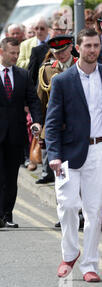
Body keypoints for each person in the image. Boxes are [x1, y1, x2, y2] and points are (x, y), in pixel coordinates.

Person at [45, 28, 102, 283]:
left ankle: (90, 265)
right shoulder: (62, 81)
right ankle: (70, 253)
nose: (93, 50)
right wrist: (53, 154)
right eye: (88, 46)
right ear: (78, 47)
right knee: (68, 205)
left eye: (96, 45)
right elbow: (52, 122)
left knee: (94, 211)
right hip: (68, 154)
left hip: (100, 150)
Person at [0, 37, 42, 229]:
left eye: (18, 53)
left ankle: (7, 215)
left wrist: (37, 121)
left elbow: (33, 100)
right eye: (12, 53)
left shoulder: (23, 75)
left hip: (15, 136)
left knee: (10, 178)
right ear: (2, 52)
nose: (16, 57)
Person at [36, 35, 78, 186]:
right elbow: (41, 101)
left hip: (76, 125)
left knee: (76, 166)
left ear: (71, 48)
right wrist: (40, 127)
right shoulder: (47, 69)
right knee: (59, 170)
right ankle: (65, 198)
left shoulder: (80, 66)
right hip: (55, 125)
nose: (60, 55)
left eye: (63, 51)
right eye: (56, 52)